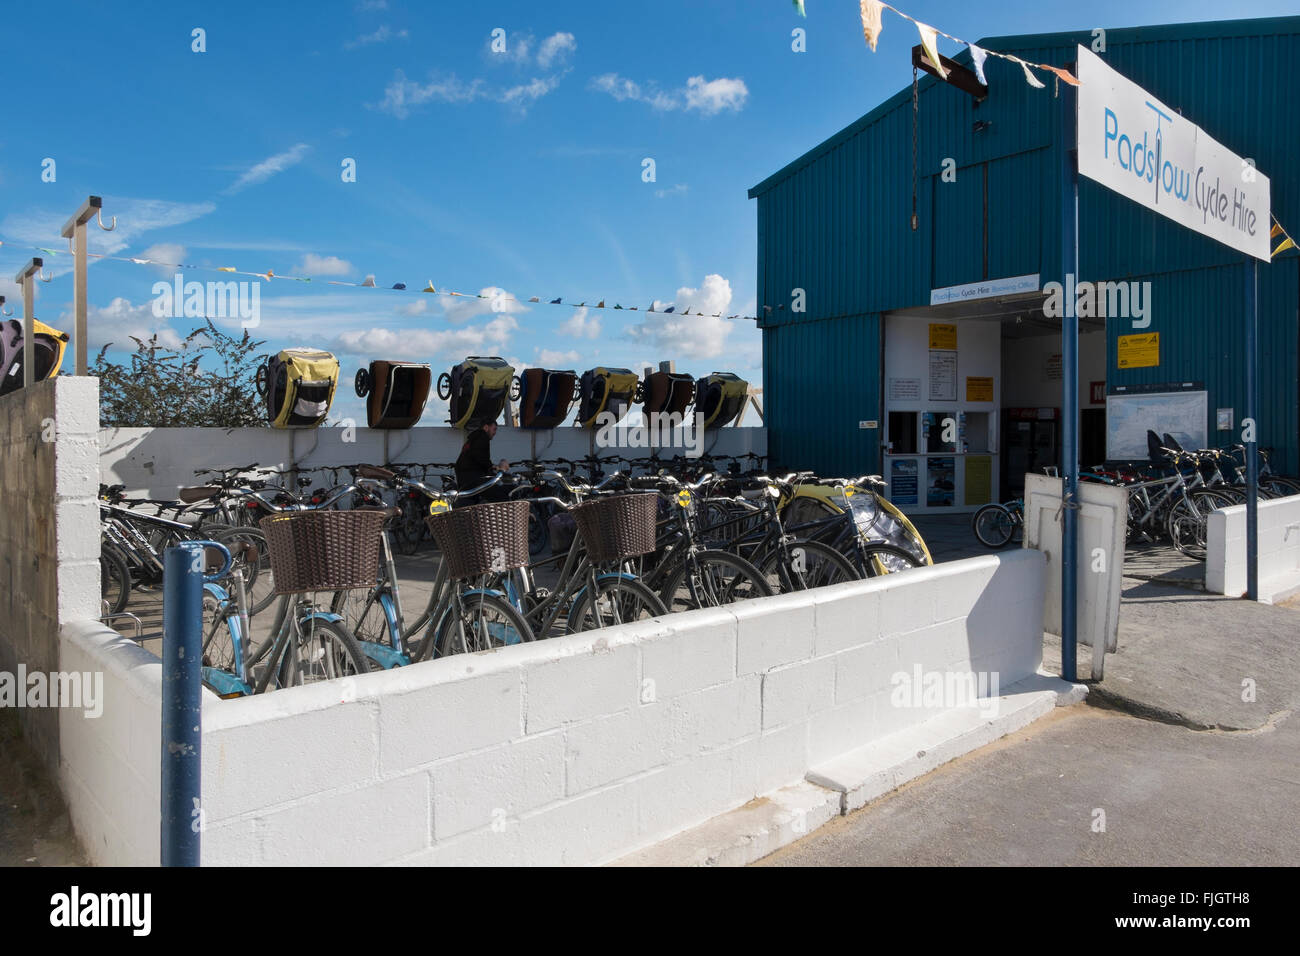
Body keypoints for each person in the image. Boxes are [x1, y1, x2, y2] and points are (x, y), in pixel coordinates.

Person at [454, 420, 511, 504]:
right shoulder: (482, 437)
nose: (495, 432)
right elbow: (480, 457)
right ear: (486, 427)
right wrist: (495, 468)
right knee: (502, 496)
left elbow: (477, 457)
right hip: (474, 478)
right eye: (494, 429)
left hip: (464, 479)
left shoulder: (473, 438)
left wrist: (492, 467)